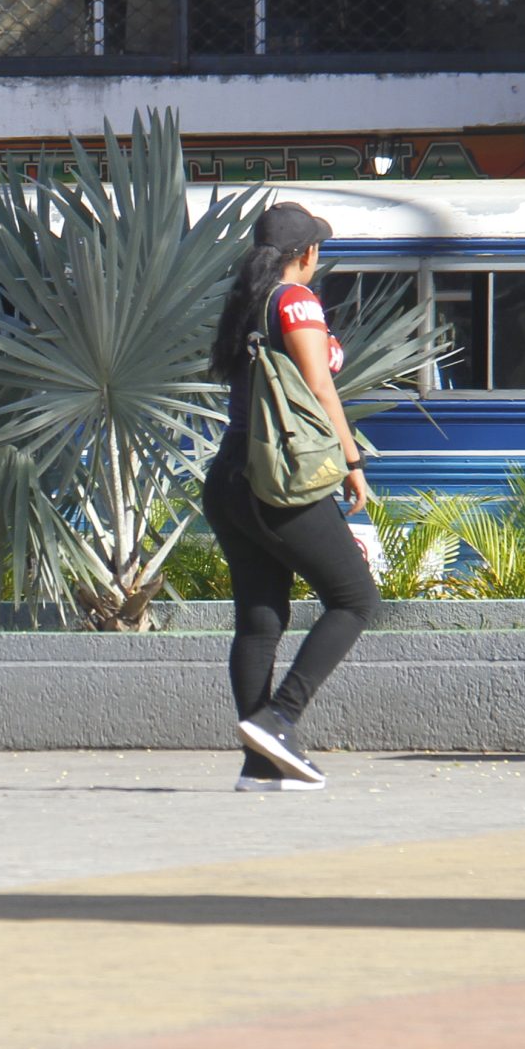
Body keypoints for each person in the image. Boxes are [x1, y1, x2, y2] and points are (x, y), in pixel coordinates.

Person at [203, 203, 383, 793]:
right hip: (279, 478)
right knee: (356, 599)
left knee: (260, 619)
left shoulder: (244, 302)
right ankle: (279, 719)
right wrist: (353, 463)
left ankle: (259, 768)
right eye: (318, 251)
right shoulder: (294, 300)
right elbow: (320, 386)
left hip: (229, 476)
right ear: (305, 254)